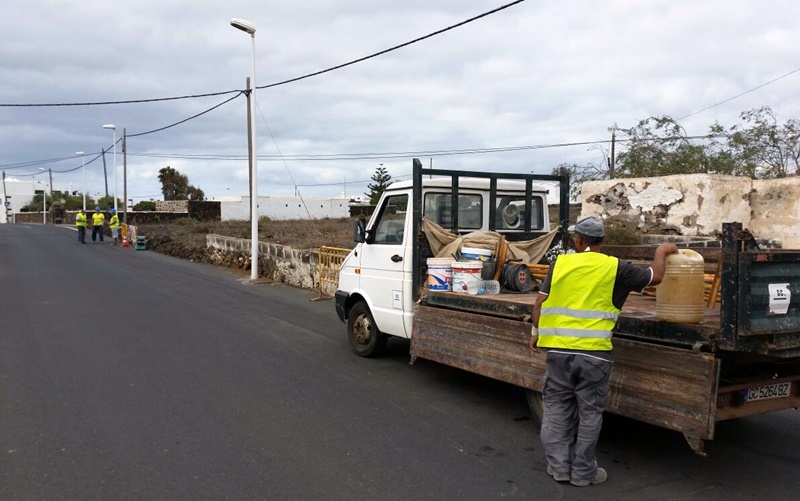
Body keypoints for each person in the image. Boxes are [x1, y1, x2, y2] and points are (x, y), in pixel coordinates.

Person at [529, 216, 677, 487]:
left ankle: (559, 467)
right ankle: (583, 473)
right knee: (589, 414)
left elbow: (539, 304)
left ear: (578, 240)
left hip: (559, 352)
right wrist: (662, 251)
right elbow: (655, 277)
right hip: (595, 355)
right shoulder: (616, 267)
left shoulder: (560, 264)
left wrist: (536, 333)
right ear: (601, 241)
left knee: (556, 410)